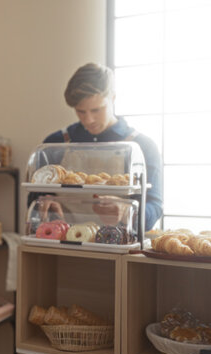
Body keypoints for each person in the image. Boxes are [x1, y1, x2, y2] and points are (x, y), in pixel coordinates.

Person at [29, 62, 163, 231]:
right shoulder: (55, 143)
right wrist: (44, 201)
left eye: (96, 110)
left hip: (119, 251)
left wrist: (126, 211)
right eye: (81, 111)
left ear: (113, 98)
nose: (88, 120)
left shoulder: (143, 147)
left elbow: (155, 207)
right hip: (62, 245)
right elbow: (33, 199)